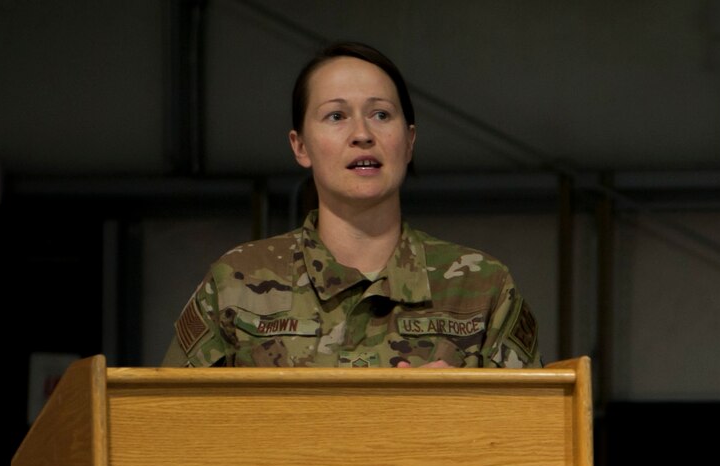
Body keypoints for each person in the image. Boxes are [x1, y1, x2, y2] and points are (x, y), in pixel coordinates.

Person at [163, 43, 538, 369]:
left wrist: (457, 409)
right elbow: (165, 425)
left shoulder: (481, 286)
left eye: (381, 114)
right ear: (301, 146)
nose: (362, 135)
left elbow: (538, 435)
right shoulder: (236, 284)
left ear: (409, 142)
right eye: (336, 116)